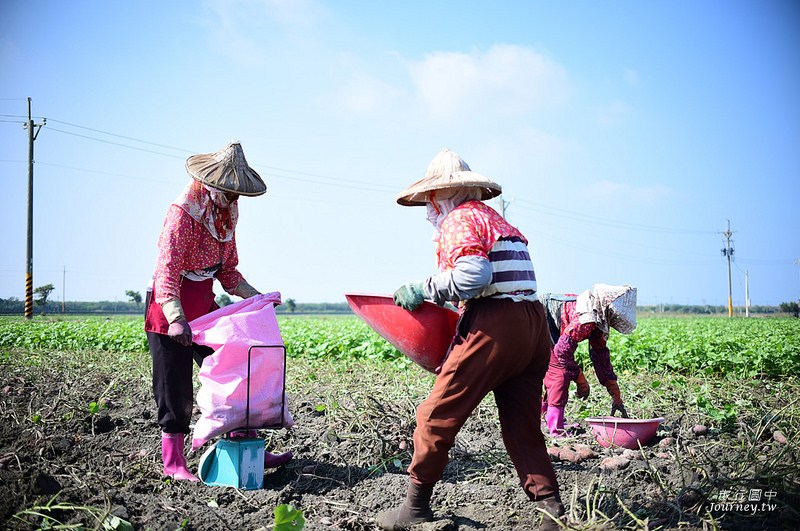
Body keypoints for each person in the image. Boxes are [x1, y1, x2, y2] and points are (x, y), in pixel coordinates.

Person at [376, 148, 564, 530]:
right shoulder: (500, 222)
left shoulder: (459, 220)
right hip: (533, 326)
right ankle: (550, 509)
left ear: (440, 195)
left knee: (435, 415)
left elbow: (474, 277)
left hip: (497, 326)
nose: (430, 210)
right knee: (521, 423)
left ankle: (414, 508)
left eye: (430, 201)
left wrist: (424, 288)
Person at [144, 141, 291, 481]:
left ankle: (246, 442)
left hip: (205, 309)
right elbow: (166, 269)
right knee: (174, 386)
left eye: (237, 193)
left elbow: (227, 273)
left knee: (237, 371)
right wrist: (177, 318)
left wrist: (258, 297)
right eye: (229, 192)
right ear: (212, 185)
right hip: (171, 309)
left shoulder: (225, 216)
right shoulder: (182, 214)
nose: (234, 199)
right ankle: (174, 463)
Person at [538, 284, 637, 437]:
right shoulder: (586, 319)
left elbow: (601, 358)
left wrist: (615, 394)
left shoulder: (598, 321)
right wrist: (581, 380)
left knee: (556, 372)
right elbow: (561, 352)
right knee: (559, 374)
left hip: (553, 327)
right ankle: (555, 429)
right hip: (541, 319)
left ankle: (547, 419)